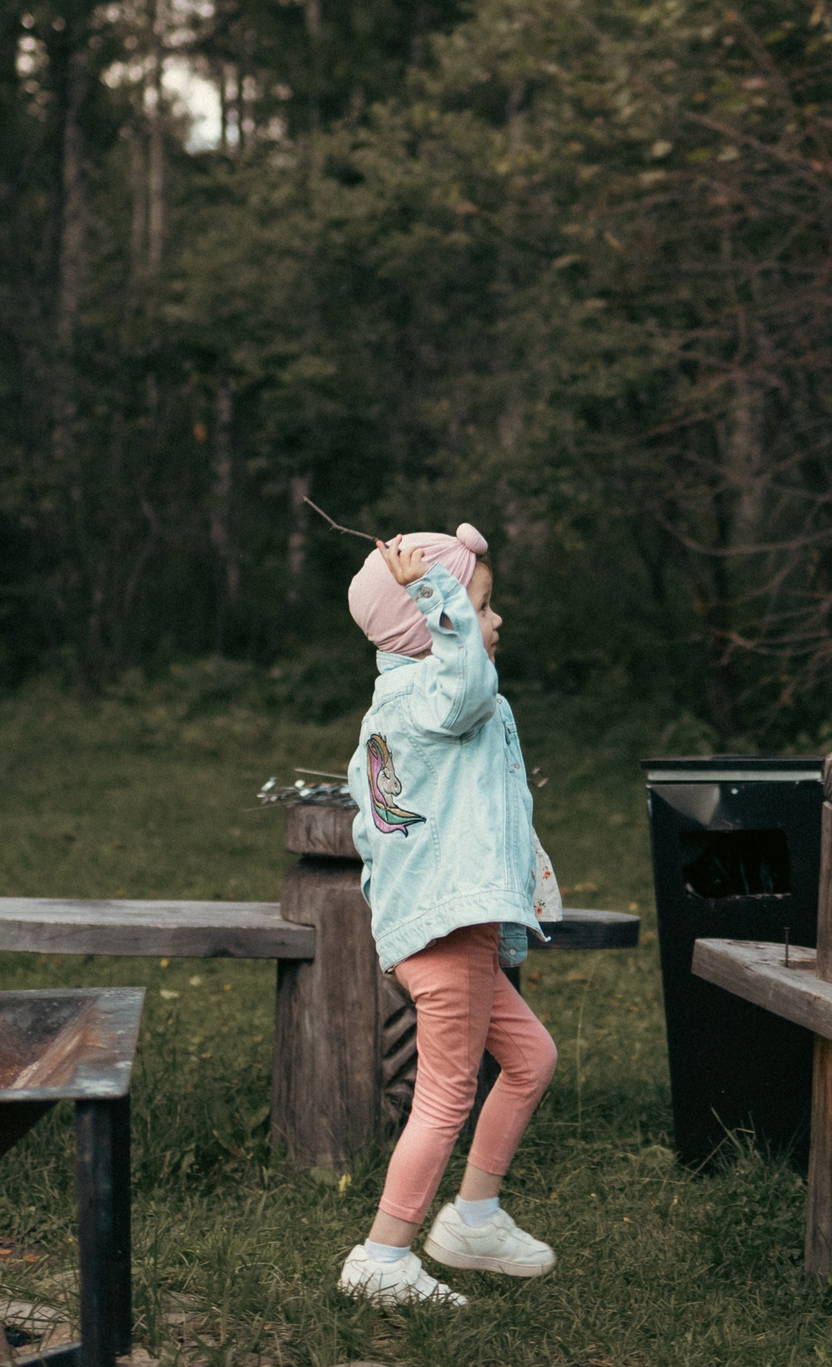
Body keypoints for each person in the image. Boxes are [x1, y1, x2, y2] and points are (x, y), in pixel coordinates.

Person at [333, 523, 560, 1308]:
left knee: (530, 1058)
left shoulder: (405, 699)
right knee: (446, 1095)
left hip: (447, 923)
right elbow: (469, 687)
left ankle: (474, 1217)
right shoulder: (435, 693)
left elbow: (375, 824)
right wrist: (439, 592)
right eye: (482, 606)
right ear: (429, 621)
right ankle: (384, 1255)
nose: (493, 623)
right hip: (444, 927)